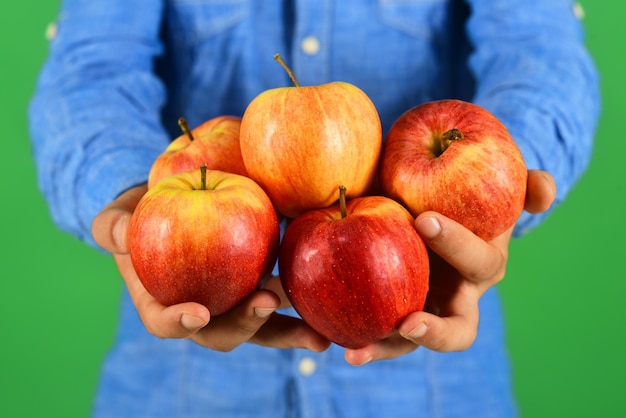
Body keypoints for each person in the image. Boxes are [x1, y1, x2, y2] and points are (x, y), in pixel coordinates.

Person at [29, 1, 599, 417]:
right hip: (182, 381)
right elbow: (91, 70)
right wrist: (132, 195)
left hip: (431, 372)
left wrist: (495, 194)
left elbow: (541, 55)